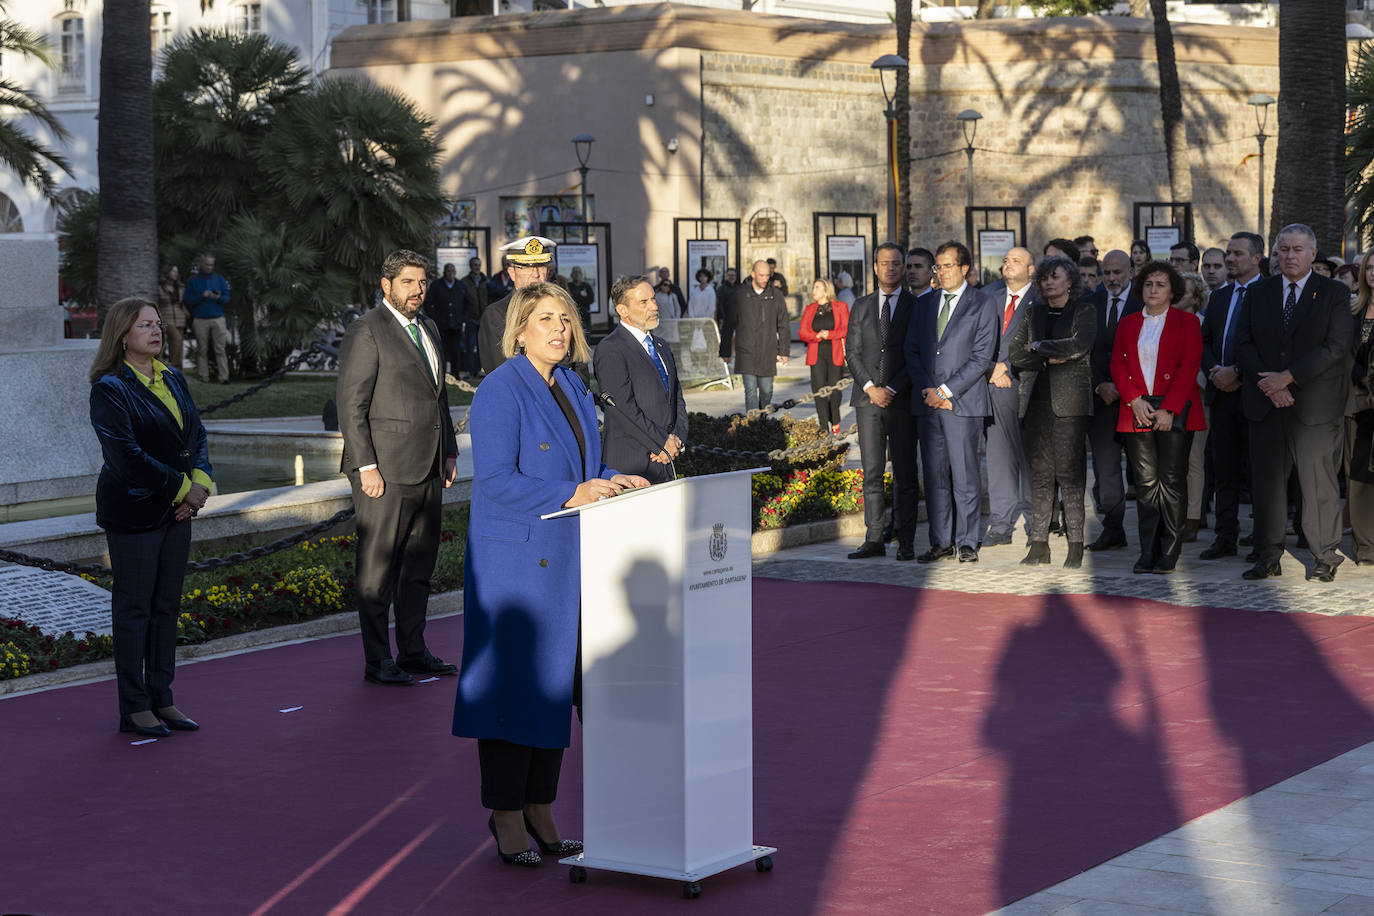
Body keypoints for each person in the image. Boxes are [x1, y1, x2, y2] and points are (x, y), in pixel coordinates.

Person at [453, 282, 648, 866]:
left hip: (566, 558)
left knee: (555, 689)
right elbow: (493, 480)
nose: (559, 329)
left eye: (565, 319)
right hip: (515, 564)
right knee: (514, 690)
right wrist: (576, 491)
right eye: (545, 319)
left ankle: (541, 806)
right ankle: (506, 814)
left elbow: (582, 464)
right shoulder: (499, 389)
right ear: (519, 330)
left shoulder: (570, 384)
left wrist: (615, 477)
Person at [89, 297, 212, 737]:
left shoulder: (174, 378)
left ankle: (163, 698)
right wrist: (184, 488)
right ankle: (135, 707)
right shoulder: (110, 387)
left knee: (166, 607)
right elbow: (125, 457)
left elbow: (196, 436)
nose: (156, 331)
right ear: (123, 335)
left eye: (158, 324)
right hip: (134, 511)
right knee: (135, 608)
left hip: (179, 512)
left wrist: (199, 486)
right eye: (145, 325)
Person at [337, 250, 461, 686]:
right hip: (384, 472)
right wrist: (366, 465)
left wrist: (449, 452)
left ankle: (413, 650)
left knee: (418, 567)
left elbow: (438, 396)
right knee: (378, 570)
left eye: (422, 282)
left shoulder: (428, 327)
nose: (418, 290)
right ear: (386, 284)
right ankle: (377, 660)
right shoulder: (367, 330)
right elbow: (351, 405)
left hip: (428, 464)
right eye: (408, 282)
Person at [1234, 223, 1354, 582]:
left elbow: (1336, 347)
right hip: (1266, 402)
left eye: (1297, 249)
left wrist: (1288, 377)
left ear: (1313, 253)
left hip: (1314, 406)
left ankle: (1324, 556)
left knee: (1318, 483)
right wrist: (1271, 384)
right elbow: (1244, 344)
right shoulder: (1259, 293)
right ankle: (1267, 555)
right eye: (1283, 249)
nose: (1289, 255)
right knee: (1267, 485)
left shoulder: (1333, 293)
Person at [905, 240, 999, 564]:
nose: (941, 272)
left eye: (947, 266)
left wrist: (946, 391)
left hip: (963, 404)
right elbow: (912, 350)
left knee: (965, 475)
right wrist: (930, 391)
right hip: (929, 404)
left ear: (964, 269)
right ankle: (941, 540)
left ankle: (968, 540)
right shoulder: (925, 304)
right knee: (934, 477)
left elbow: (981, 357)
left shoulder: (982, 303)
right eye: (938, 266)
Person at [1111, 261, 1206, 574]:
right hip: (1136, 409)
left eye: (1160, 285)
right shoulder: (1127, 324)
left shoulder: (1187, 322)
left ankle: (1169, 551)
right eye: (1149, 284)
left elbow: (1189, 366)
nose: (1153, 290)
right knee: (1145, 484)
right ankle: (1147, 550)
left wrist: (1170, 408)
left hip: (1174, 412)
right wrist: (1134, 399)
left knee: (1172, 482)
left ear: (1172, 291)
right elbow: (1118, 366)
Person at [1009, 255, 1096, 567]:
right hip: (1036, 401)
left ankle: (1075, 544)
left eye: (1055, 276)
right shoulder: (1033, 313)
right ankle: (1039, 543)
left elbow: (1079, 346)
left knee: (1070, 474)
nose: (1048, 282)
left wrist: (1040, 347)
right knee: (1041, 474)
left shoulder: (1084, 309)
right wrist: (1047, 354)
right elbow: (1016, 354)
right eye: (1044, 277)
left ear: (1069, 280)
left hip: (1070, 403)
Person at [846, 242, 919, 560]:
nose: (890, 268)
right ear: (875, 267)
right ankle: (874, 537)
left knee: (905, 473)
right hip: (867, 400)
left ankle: (906, 540)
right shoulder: (860, 306)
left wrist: (892, 387)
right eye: (884, 263)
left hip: (901, 400)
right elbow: (852, 352)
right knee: (872, 472)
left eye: (896, 263)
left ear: (903, 268)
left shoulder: (916, 306)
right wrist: (870, 387)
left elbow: (916, 353)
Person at [1198, 231, 1265, 559]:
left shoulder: (1268, 294)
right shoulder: (1220, 297)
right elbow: (1205, 341)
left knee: (1257, 471)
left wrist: (1236, 372)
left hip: (1254, 395)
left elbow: (1269, 347)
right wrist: (1215, 372)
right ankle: (1225, 536)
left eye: (1237, 254)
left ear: (1256, 258)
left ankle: (1263, 538)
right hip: (1221, 395)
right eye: (1229, 252)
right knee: (1222, 469)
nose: (1229, 259)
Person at [593, 275, 688, 485]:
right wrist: (661, 442)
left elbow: (677, 398)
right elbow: (622, 408)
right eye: (644, 302)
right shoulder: (611, 349)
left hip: (666, 459)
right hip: (631, 464)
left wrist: (677, 439)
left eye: (653, 299)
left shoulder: (661, 345)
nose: (654, 306)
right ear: (622, 310)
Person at [1087, 249, 1143, 551]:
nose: (1111, 278)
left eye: (1117, 272)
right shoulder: (1089, 305)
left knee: (1144, 468)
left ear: (1130, 272)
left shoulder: (1145, 304)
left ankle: (1152, 531)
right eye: (1106, 273)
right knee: (1106, 469)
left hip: (1136, 400)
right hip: (1101, 402)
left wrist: (1125, 388)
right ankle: (1113, 528)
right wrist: (1099, 386)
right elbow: (1083, 353)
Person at [981, 246, 1037, 546]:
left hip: (1026, 388)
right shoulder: (989, 297)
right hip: (992, 388)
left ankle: (1034, 525)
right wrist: (991, 368)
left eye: (1016, 261)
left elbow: (1039, 342)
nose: (1008, 264)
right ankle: (1000, 526)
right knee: (998, 459)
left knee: (1029, 459)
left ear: (1031, 270)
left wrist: (1008, 366)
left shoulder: (1039, 301)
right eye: (1005, 260)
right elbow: (977, 339)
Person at [719, 259, 790, 412]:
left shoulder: (775, 295)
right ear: (753, 274)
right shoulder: (740, 295)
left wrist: (784, 351)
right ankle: (753, 424)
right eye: (761, 275)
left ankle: (762, 417)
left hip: (768, 350)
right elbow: (729, 324)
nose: (765, 279)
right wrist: (725, 351)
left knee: (766, 390)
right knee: (750, 390)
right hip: (746, 351)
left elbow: (783, 324)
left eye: (767, 276)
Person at [480, 237, 554, 376]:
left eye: (540, 266)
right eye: (527, 267)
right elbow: (499, 368)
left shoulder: (562, 309)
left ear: (548, 270)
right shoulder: (497, 314)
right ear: (512, 273)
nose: (536, 274)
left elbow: (578, 361)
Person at [1175, 271, 1211, 541]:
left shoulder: (1202, 324)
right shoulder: (1164, 322)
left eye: (1183, 291)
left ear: (1196, 298)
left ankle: (1193, 516)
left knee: (1194, 460)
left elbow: (1204, 362)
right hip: (1166, 399)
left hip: (1197, 397)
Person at [1347, 249, 1374, 565]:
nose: (1373, 274)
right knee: (1359, 474)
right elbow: (1344, 354)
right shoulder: (1352, 309)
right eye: (1369, 268)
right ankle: (1366, 546)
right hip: (1356, 402)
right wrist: (1366, 380)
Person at [799, 278, 849, 436]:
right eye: (813, 287)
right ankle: (823, 427)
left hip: (835, 354)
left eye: (817, 287)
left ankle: (835, 419)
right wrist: (817, 336)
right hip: (816, 354)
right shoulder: (809, 309)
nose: (813, 290)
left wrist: (830, 334)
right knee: (819, 391)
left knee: (835, 392)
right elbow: (803, 332)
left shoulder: (840, 307)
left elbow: (846, 329)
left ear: (826, 291)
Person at [183, 251, 231, 384]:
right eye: (206, 264)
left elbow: (227, 298)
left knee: (220, 349)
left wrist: (218, 297)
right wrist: (201, 296)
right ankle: (204, 377)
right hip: (200, 319)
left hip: (218, 318)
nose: (209, 267)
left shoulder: (219, 279)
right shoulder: (193, 281)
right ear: (201, 264)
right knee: (202, 349)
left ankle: (224, 377)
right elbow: (188, 300)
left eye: (211, 265)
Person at [424, 262, 467, 381]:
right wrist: (435, 317)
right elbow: (428, 303)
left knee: (456, 350)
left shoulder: (460, 285)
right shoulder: (437, 285)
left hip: (456, 325)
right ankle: (441, 374)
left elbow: (467, 303)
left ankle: (455, 374)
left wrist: (462, 317)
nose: (451, 273)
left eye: (453, 271)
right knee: (441, 350)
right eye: (448, 271)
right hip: (442, 324)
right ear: (444, 272)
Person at [461, 257, 490, 377]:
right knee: (470, 345)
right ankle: (469, 370)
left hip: (483, 318)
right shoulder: (464, 282)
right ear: (470, 266)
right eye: (474, 265)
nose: (477, 267)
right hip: (471, 318)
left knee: (481, 346)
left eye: (478, 265)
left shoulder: (486, 280)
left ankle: (479, 370)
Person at [156, 265, 187, 371]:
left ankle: (178, 371)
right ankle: (173, 367)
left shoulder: (180, 287)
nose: (175, 273)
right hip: (165, 319)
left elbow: (182, 303)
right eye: (173, 271)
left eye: (176, 271)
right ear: (167, 272)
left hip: (180, 318)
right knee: (177, 339)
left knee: (178, 346)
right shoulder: (160, 287)